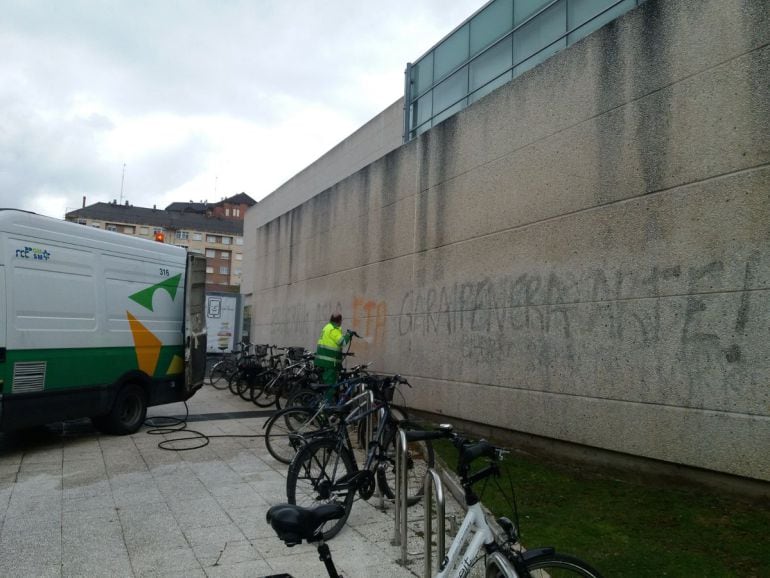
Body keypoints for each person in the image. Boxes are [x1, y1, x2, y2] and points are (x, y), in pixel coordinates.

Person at [314, 313, 353, 387]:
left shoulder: (327, 327)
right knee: (330, 386)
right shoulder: (333, 329)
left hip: (322, 361)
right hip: (329, 363)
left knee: (323, 385)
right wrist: (348, 335)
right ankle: (328, 398)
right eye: (341, 320)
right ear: (339, 321)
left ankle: (321, 398)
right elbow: (343, 342)